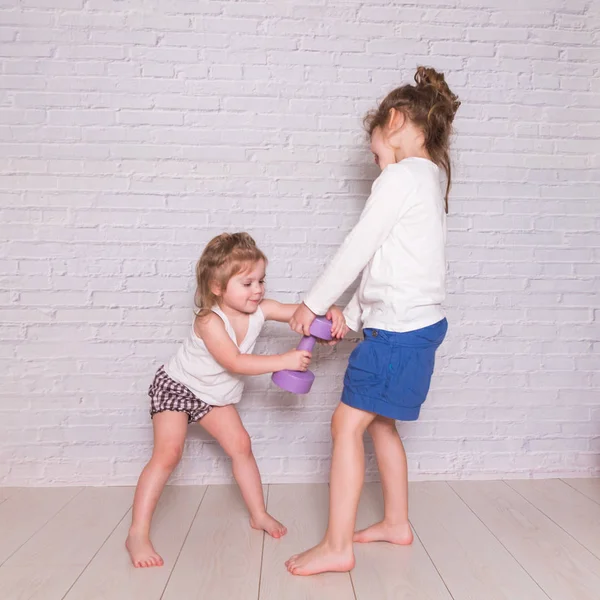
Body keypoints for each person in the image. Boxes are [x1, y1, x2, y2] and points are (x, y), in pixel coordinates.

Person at [285, 66, 460, 576]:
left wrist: (313, 304)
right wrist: (355, 314)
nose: (374, 157)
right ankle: (397, 523)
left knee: (345, 424)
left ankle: (338, 546)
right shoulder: (428, 180)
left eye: (374, 146)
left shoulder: (401, 176)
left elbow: (358, 247)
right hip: (411, 326)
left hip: (400, 333)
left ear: (397, 120)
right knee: (381, 425)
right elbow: (395, 266)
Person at [126, 232, 346, 568]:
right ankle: (137, 532)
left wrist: (328, 314)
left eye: (261, 280)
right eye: (247, 283)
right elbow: (235, 362)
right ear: (216, 286)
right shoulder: (209, 320)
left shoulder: (261, 310)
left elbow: (301, 314)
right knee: (168, 454)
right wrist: (283, 361)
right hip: (177, 386)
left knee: (241, 445)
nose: (258, 290)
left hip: (214, 395)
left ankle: (258, 514)